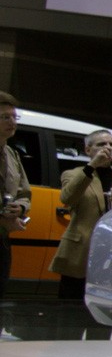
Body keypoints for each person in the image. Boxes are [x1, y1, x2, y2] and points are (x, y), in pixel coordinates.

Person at [48, 128, 112, 339]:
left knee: (100, 323)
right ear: (88, 149)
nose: (108, 148)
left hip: (108, 257)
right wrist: (92, 167)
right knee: (69, 320)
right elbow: (67, 198)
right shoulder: (75, 174)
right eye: (101, 145)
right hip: (79, 254)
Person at [0, 91, 33, 299]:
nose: (12, 122)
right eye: (5, 117)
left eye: (14, 117)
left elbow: (24, 191)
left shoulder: (12, 154)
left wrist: (20, 208)